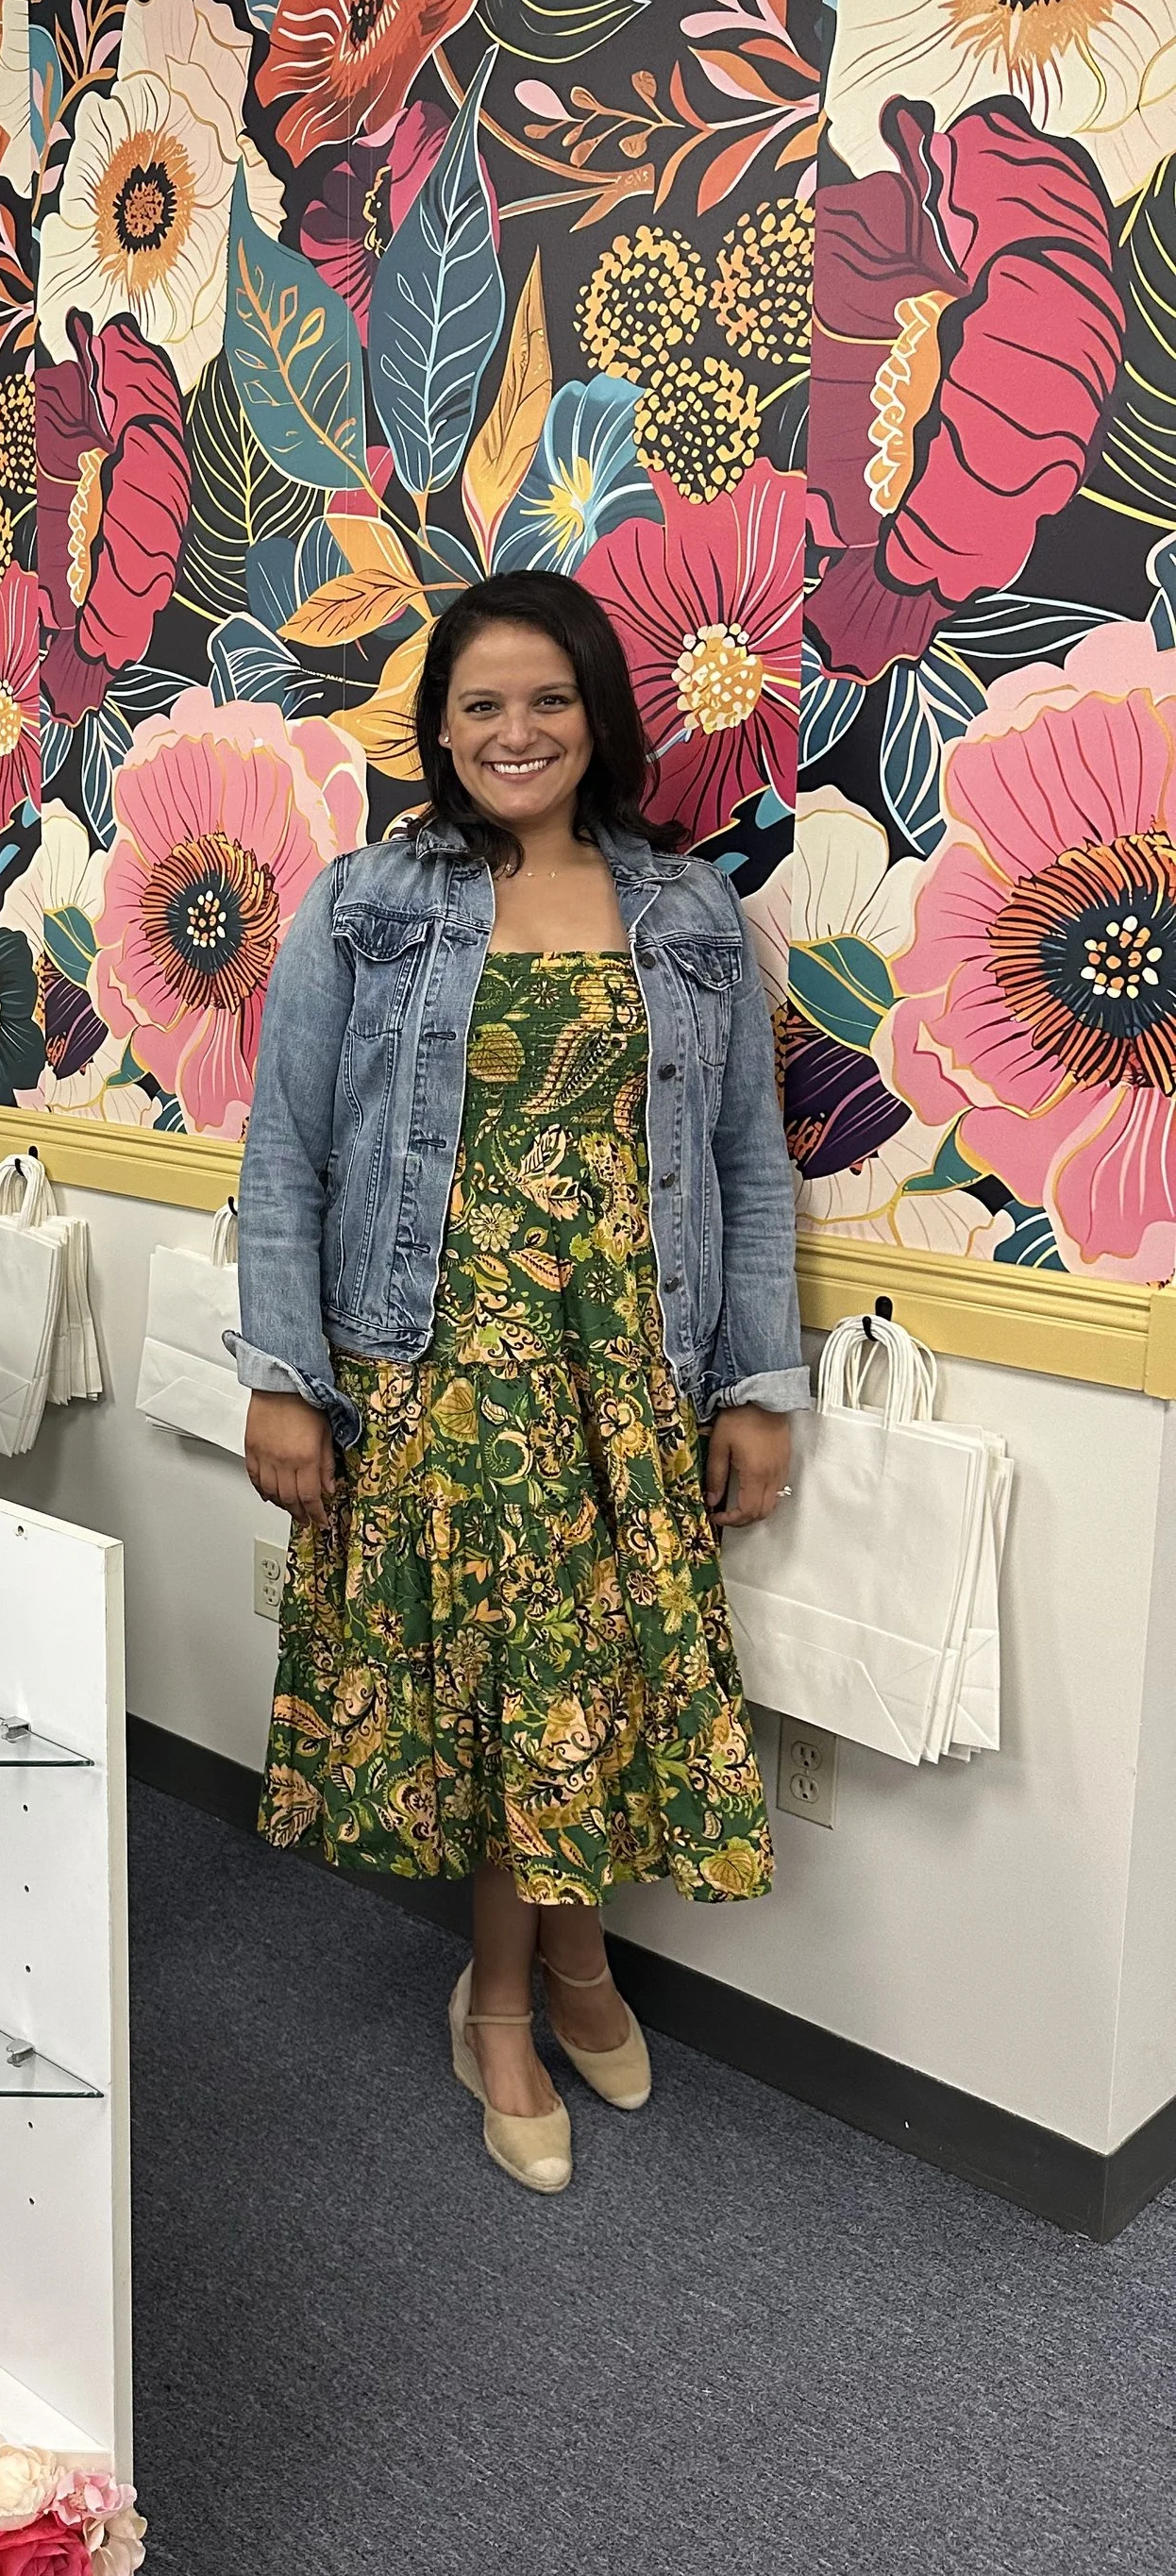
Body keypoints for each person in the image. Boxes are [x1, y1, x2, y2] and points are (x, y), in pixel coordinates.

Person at [233, 570, 805, 2195]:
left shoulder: (687, 911)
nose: (515, 730)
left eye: (546, 698)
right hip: (439, 1360)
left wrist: (755, 1384)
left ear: (596, 716)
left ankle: (553, 1970)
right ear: (438, 730)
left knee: (585, 1677)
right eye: (479, 703)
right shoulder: (364, 902)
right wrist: (284, 1375)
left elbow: (748, 1165)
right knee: (509, 1684)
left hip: (625, 1359)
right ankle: (515, 1997)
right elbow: (284, 1152)